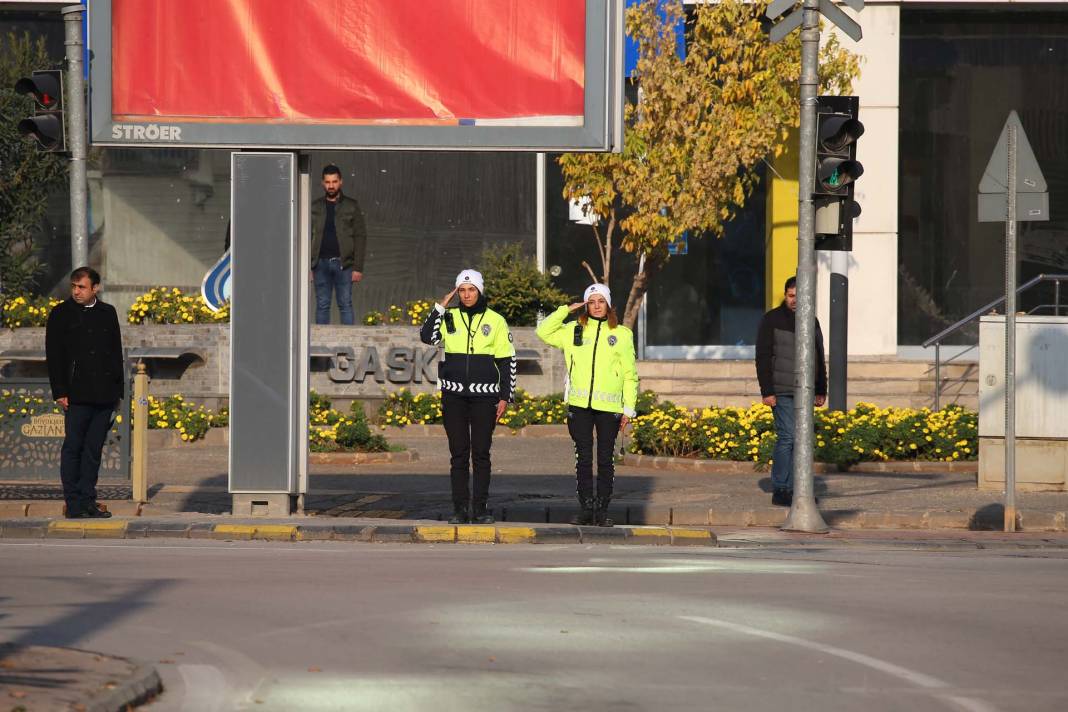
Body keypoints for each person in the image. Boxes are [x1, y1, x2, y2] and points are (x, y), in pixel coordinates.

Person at [536, 284, 638, 527]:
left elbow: (629, 374)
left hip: (609, 407)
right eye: (591, 301)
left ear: (608, 305)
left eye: (600, 301)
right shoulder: (573, 330)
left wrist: (628, 408)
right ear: (585, 305)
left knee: (605, 459)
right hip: (579, 405)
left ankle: (601, 510)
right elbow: (543, 331)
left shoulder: (622, 334)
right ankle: (585, 508)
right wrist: (565, 310)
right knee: (583, 458)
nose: (596, 306)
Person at [420, 269, 515, 524]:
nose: (466, 294)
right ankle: (460, 509)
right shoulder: (449, 317)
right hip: (453, 396)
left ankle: (480, 508)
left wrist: (506, 395)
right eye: (462, 290)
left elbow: (507, 361)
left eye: (471, 289)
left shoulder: (496, 320)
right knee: (458, 453)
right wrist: (440, 307)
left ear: (480, 290)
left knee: (481, 453)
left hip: (485, 397)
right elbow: (426, 336)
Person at [45, 267, 124, 519]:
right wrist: (60, 390)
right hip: (76, 393)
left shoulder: (107, 313)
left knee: (93, 449)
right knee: (73, 448)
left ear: (95, 288)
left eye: (82, 287)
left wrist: (117, 391)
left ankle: (88, 499)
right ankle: (74, 503)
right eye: (74, 287)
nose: (76, 291)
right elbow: (54, 356)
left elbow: (115, 353)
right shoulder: (60, 314)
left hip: (104, 394)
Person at [755, 276, 827, 507]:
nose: (795, 300)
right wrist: (767, 390)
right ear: (785, 295)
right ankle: (782, 489)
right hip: (782, 389)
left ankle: (800, 489)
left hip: (806, 390)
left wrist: (821, 389)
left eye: (799, 296)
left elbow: (818, 356)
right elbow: (763, 357)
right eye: (791, 295)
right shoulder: (771, 320)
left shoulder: (812, 321)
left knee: (803, 439)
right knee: (788, 437)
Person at [309, 164, 368, 325]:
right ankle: (321, 345)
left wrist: (358, 267)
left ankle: (349, 345)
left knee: (345, 304)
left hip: (344, 264)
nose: (331, 185)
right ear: (322, 183)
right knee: (322, 305)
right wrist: (308, 266)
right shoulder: (315, 207)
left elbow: (360, 236)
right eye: (328, 182)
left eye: (334, 181)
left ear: (340, 182)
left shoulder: (351, 205)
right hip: (319, 264)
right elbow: (306, 236)